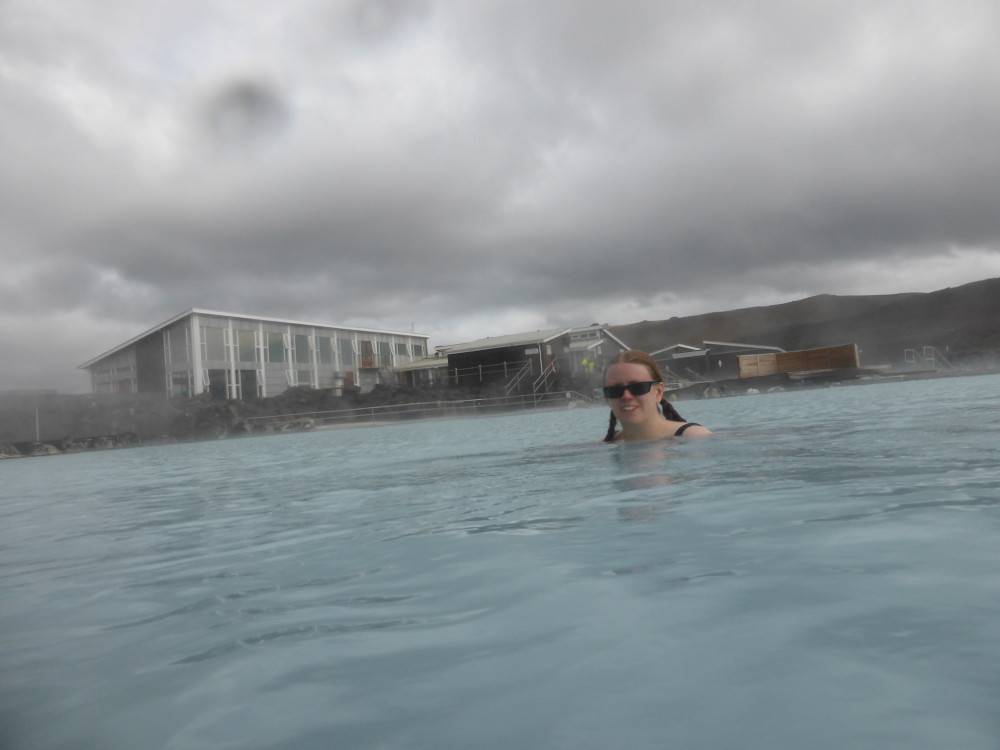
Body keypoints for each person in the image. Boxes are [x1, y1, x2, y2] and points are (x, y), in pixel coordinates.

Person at [601, 350, 711, 442]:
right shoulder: (604, 445)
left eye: (637, 387)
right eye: (615, 390)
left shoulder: (695, 438)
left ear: (658, 392)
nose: (626, 396)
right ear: (607, 399)